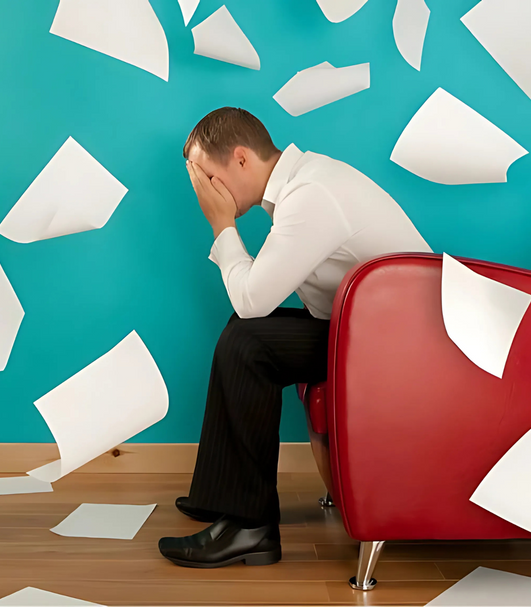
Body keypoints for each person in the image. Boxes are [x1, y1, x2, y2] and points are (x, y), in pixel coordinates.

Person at [158, 108, 431, 568]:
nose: (206, 193)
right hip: (367, 332)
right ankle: (221, 497)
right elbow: (256, 300)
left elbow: (250, 298)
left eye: (208, 178)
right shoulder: (303, 187)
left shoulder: (311, 196)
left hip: (400, 346)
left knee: (248, 342)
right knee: (242, 333)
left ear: (241, 160)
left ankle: (251, 527)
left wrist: (221, 224)